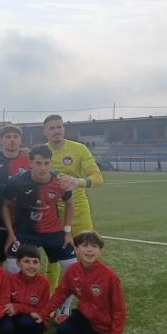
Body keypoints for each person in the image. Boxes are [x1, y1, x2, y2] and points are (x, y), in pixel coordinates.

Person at [37, 231, 126, 334]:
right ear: (76, 249)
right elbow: (60, 294)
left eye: (94, 246)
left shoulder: (109, 276)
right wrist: (43, 314)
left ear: (100, 250)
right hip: (84, 315)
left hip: (103, 325)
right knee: (63, 330)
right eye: (84, 246)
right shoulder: (73, 271)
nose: (89, 250)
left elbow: (119, 310)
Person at [2, 145, 78, 322]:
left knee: (73, 268)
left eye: (46, 163)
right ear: (30, 163)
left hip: (53, 232)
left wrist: (67, 232)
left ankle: (64, 307)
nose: (42, 168)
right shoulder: (16, 182)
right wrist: (11, 233)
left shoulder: (60, 182)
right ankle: (16, 303)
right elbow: (5, 205)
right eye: (38, 163)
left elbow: (70, 203)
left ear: (50, 163)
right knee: (12, 267)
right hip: (25, 232)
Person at [43, 114, 104, 294]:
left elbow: (98, 178)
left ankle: (90, 294)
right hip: (52, 213)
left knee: (87, 253)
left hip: (78, 211)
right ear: (45, 132)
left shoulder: (79, 149)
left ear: (64, 129)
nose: (56, 131)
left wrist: (78, 182)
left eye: (59, 127)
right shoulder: (42, 151)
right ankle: (51, 296)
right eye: (52, 128)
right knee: (53, 258)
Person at [0, 125, 31, 262]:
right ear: (1, 140)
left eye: (15, 137)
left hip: (21, 221)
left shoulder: (29, 160)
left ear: (21, 140)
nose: (12, 140)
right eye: (8, 137)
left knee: (18, 263)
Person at [3, 244, 51, 334]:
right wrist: (14, 308)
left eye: (35, 262)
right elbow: (6, 304)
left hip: (35, 321)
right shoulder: (10, 280)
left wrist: (19, 307)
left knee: (26, 323)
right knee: (6, 329)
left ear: (40, 263)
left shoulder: (44, 283)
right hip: (13, 317)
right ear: (18, 263)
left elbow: (41, 311)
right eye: (26, 261)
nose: (31, 266)